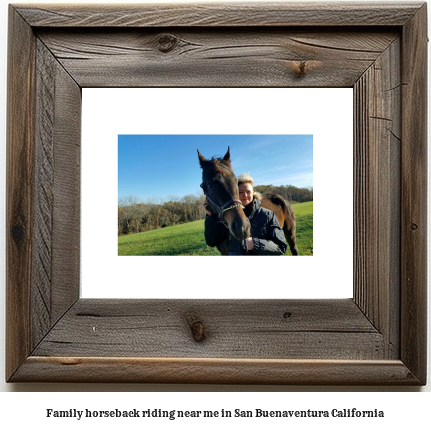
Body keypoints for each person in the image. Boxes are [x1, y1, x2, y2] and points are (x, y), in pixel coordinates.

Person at [203, 173, 287, 255]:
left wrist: (254, 244)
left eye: (248, 191)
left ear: (253, 193)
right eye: (241, 192)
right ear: (235, 193)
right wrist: (210, 217)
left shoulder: (268, 215)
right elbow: (212, 241)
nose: (245, 195)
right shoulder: (228, 217)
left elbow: (281, 246)